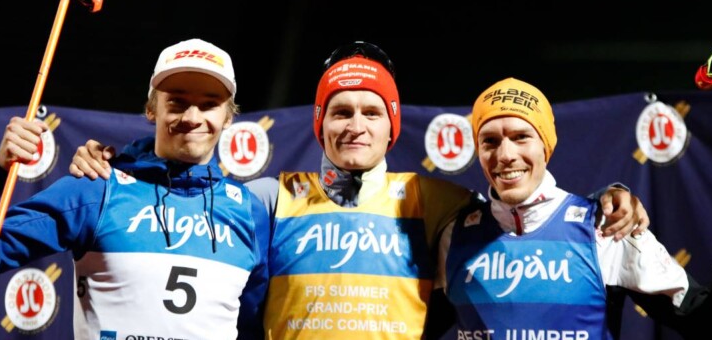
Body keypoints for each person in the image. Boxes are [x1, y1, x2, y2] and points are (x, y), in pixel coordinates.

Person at [65, 41, 649, 339]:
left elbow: (523, 208)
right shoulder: (269, 195)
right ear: (319, 122)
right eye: (340, 111)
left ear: (391, 124)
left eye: (372, 111)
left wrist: (607, 197)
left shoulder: (433, 198)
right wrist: (127, 163)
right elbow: (190, 186)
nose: (355, 124)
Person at [428, 77, 712, 339]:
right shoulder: (454, 235)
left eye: (520, 137)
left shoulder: (606, 226)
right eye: (490, 141)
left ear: (546, 146)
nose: (505, 155)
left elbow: (708, 326)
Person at [0, 38, 269, 340]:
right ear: (151, 109)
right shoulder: (97, 188)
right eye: (177, 102)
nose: (192, 118)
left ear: (228, 117)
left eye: (209, 104)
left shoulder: (250, 212)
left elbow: (252, 325)